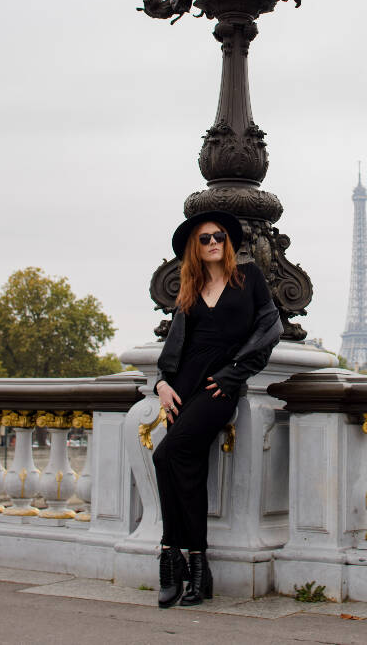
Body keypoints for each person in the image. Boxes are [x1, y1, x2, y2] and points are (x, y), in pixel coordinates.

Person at [152, 209, 282, 609]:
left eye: (219, 237)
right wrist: (160, 384)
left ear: (229, 242)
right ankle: (193, 567)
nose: (212, 243)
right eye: (205, 238)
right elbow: (176, 346)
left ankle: (172, 556)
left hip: (218, 386)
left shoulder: (249, 280)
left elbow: (270, 329)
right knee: (182, 467)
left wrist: (233, 375)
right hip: (183, 386)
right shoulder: (189, 288)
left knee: (167, 454)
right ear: (195, 246)